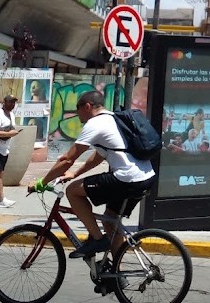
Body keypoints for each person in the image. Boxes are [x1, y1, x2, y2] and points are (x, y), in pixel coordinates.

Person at [34, 90, 156, 258]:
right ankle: (116, 274)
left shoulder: (95, 123)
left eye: (78, 108)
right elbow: (98, 157)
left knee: (72, 191)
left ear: (87, 106)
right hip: (145, 177)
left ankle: (98, 239)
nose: (77, 114)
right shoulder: (114, 119)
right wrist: (75, 174)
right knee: (110, 219)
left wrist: (42, 182)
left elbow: (67, 159)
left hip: (126, 178)